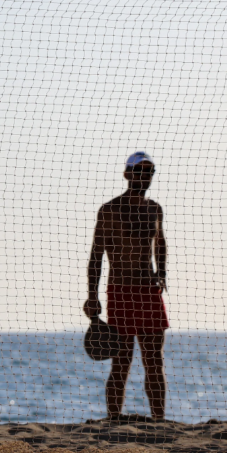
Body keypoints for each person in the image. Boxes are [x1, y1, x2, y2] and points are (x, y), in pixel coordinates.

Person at [84, 152, 168, 420]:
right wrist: (91, 296)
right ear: (127, 173)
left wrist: (162, 272)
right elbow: (96, 255)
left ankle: (159, 420)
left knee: (154, 361)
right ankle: (113, 419)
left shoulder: (155, 208)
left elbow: (161, 243)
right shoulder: (109, 210)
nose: (145, 176)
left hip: (149, 291)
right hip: (120, 291)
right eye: (140, 171)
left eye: (150, 172)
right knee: (121, 362)